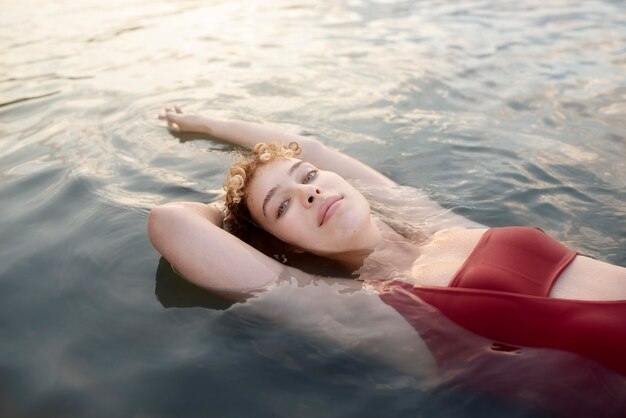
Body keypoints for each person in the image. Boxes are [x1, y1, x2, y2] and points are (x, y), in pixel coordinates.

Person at [148, 106, 626, 380]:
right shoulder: (359, 306)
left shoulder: (433, 221)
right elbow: (172, 223)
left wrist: (208, 125)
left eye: (309, 178)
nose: (310, 189)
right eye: (282, 207)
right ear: (284, 248)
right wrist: (233, 210)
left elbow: (310, 148)